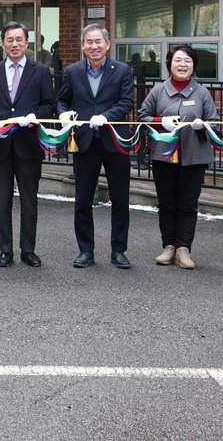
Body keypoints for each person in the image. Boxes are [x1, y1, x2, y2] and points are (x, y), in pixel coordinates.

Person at [0, 21, 56, 268]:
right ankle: (5, 250)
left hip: (28, 145)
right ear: (3, 43)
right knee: (2, 201)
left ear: (26, 42)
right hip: (0, 146)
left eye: (19, 39)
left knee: (29, 201)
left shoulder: (40, 71)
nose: (14, 44)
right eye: (9, 40)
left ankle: (28, 250)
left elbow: (49, 104)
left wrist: (34, 116)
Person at [56, 24, 134, 268]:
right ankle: (85, 250)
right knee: (82, 200)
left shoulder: (122, 70)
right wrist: (63, 114)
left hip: (115, 142)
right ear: (82, 46)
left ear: (107, 44)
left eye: (98, 41)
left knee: (120, 200)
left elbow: (126, 102)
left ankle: (119, 250)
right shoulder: (73, 71)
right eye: (89, 42)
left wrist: (106, 116)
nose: (94, 46)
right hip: (85, 142)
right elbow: (61, 100)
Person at [138, 44, 216, 270]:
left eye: (187, 61)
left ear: (193, 65)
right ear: (169, 64)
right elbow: (142, 116)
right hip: (164, 156)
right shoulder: (158, 90)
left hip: (194, 157)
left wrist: (203, 126)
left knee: (188, 204)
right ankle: (168, 246)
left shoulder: (202, 92)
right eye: (178, 60)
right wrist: (159, 121)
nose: (182, 65)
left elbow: (214, 122)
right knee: (166, 203)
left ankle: (183, 248)